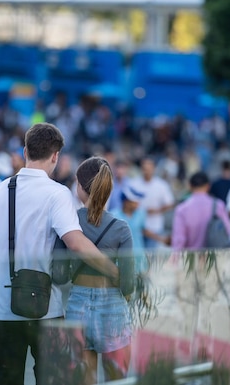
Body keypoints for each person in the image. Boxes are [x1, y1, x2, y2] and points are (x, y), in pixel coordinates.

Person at [0, 122, 119, 385]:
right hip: (44, 307)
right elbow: (75, 242)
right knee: (51, 378)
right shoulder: (57, 194)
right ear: (55, 156)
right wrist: (114, 270)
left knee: (7, 379)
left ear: (25, 151)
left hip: (1, 307)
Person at [67, 156, 135, 383]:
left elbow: (58, 276)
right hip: (113, 306)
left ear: (80, 187)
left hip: (79, 304)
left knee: (85, 375)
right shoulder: (122, 228)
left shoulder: (70, 222)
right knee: (116, 377)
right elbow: (128, 284)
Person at [171, 171, 230, 251]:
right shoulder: (218, 205)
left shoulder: (182, 209)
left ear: (190, 186)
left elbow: (179, 240)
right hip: (214, 257)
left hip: (191, 258)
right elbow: (228, 231)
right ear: (208, 186)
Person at [133, 157, 175, 249]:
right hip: (137, 226)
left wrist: (157, 210)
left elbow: (170, 203)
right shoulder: (134, 184)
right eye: (144, 169)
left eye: (149, 169)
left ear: (154, 169)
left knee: (150, 256)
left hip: (155, 226)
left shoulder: (161, 185)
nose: (147, 171)